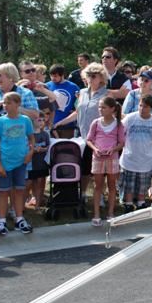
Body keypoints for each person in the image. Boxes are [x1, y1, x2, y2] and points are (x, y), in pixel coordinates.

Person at [53, 62, 108, 204]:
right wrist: (61, 123)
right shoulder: (82, 93)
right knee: (84, 168)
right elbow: (77, 112)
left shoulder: (106, 93)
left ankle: (100, 194)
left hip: (100, 138)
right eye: (88, 75)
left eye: (94, 75)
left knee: (98, 170)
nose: (91, 78)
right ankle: (83, 194)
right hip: (83, 137)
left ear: (101, 77)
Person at [0, 92, 35, 236]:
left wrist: (30, 152)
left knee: (19, 191)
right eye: (4, 103)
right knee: (3, 192)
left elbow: (31, 138)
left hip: (21, 162)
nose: (5, 105)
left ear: (17, 104)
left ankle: (19, 218)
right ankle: (2, 221)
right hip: (5, 162)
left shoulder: (25, 120)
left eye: (9, 102)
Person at [119, 95, 152, 213]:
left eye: (146, 107)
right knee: (129, 182)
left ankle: (141, 202)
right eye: (140, 105)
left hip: (145, 157)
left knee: (143, 183)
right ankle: (128, 203)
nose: (142, 109)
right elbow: (121, 131)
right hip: (130, 157)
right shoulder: (130, 118)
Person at [85, 96, 125, 225]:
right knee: (98, 186)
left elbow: (122, 143)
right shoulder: (96, 122)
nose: (100, 109)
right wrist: (95, 149)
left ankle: (110, 213)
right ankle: (96, 214)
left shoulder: (118, 124)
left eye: (103, 107)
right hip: (98, 158)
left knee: (112, 186)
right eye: (99, 107)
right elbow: (89, 139)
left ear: (112, 109)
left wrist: (113, 150)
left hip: (112, 159)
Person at [46, 64, 80, 139]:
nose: (53, 78)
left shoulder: (73, 87)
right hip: (51, 124)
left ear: (62, 75)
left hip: (68, 126)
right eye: (51, 76)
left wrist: (74, 110)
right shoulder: (47, 86)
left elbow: (79, 104)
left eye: (55, 76)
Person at [25, 111, 50, 210]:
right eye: (39, 120)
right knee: (28, 184)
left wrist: (43, 149)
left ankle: (38, 205)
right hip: (31, 164)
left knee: (40, 183)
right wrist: (34, 150)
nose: (41, 122)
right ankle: (22, 205)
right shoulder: (29, 134)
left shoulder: (45, 134)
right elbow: (26, 146)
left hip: (42, 163)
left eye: (43, 120)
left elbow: (48, 146)